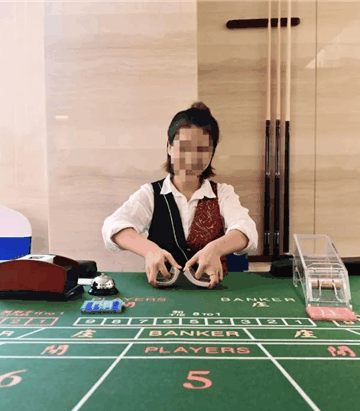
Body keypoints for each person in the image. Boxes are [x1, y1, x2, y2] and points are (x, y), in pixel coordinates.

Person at [102, 102, 258, 289]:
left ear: (212, 152)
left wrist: (216, 248)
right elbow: (113, 226)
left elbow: (247, 231)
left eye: (202, 149)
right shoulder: (150, 193)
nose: (192, 158)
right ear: (169, 147)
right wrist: (149, 250)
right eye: (184, 148)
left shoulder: (223, 193)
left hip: (214, 290)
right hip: (164, 289)